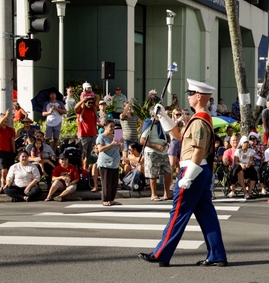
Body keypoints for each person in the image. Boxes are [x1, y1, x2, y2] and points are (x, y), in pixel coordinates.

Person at [139, 79, 228, 267]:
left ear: (198, 96)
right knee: (206, 215)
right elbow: (179, 135)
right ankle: (217, 254)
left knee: (178, 212)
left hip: (193, 169)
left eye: (190, 94)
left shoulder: (199, 120)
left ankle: (161, 253)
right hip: (199, 170)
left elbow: (197, 150)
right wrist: (163, 116)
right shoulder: (198, 119)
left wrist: (187, 177)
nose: (187, 97)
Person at [140, 114, 172, 201]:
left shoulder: (162, 124)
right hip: (152, 152)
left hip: (164, 151)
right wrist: (156, 146)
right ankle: (153, 194)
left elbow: (167, 135)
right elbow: (142, 140)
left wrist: (167, 142)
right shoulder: (149, 124)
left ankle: (167, 193)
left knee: (168, 171)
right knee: (153, 174)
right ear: (153, 115)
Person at [94, 119, 122, 207]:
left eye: (114, 127)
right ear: (105, 127)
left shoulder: (115, 136)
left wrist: (121, 143)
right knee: (106, 182)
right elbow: (100, 149)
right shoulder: (101, 137)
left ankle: (112, 199)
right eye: (111, 126)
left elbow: (120, 149)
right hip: (105, 163)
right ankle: (106, 199)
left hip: (115, 162)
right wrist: (112, 144)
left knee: (114, 182)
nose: (112, 129)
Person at [75, 92, 99, 170]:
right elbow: (75, 108)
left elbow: (97, 96)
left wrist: (91, 95)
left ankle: (90, 172)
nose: (90, 104)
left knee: (91, 156)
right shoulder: (81, 110)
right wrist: (83, 100)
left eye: (92, 102)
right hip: (83, 136)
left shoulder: (93, 110)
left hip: (93, 135)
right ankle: (84, 172)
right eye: (88, 102)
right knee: (84, 156)